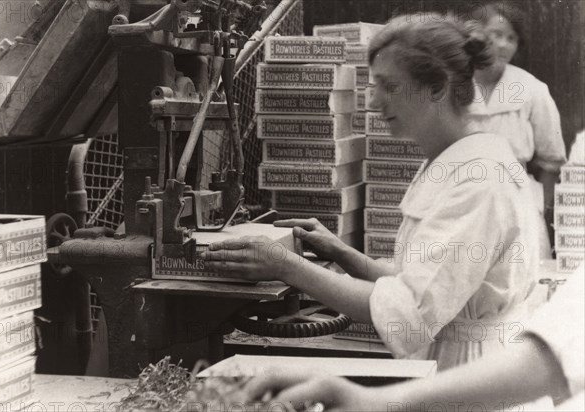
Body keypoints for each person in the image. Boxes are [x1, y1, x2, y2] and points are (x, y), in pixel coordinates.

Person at [202, 14, 539, 371]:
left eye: (390, 87)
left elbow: (410, 315)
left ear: (438, 87)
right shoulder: (454, 162)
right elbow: (428, 285)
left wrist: (287, 266)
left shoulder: (478, 179)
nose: (374, 102)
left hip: (475, 376)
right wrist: (346, 255)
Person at [244, 263, 585, 412]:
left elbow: (553, 358)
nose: (377, 109)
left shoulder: (481, 181)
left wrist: (291, 268)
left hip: (472, 356)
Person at [468, 1, 567, 258]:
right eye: (496, 35)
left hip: (517, 208)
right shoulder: (453, 85)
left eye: (511, 38)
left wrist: (536, 207)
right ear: (476, 36)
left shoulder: (532, 89)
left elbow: (551, 161)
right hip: (463, 205)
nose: (503, 45)